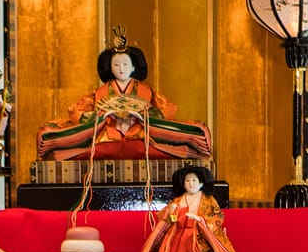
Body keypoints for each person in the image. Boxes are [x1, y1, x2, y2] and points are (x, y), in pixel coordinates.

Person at [35, 28, 212, 163]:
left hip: (140, 134)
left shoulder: (146, 92)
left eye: (125, 64)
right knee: (63, 140)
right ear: (109, 67)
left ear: (134, 67)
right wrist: (101, 116)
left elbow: (168, 108)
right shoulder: (100, 93)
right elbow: (75, 111)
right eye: (116, 64)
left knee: (181, 138)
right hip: (106, 134)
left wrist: (143, 115)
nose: (121, 68)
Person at [121, 166, 257, 252]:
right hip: (179, 238)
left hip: (200, 238)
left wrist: (201, 221)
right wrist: (171, 214)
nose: (191, 183)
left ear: (201, 183)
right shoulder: (177, 201)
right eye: (187, 180)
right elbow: (169, 220)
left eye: (194, 180)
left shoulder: (208, 200)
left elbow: (217, 217)